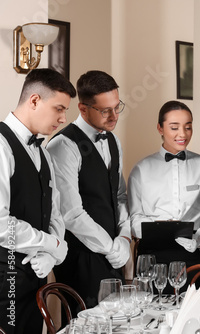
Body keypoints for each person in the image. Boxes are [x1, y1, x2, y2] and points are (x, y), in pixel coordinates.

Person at [47, 70, 131, 309]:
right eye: (105, 110)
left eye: (117, 107)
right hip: (80, 258)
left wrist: (124, 237)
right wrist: (111, 247)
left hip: (113, 252)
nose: (114, 116)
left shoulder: (113, 140)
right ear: (83, 109)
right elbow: (71, 213)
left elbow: (120, 195)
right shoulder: (63, 146)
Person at [0, 68, 75, 334]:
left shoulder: (43, 153)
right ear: (34, 100)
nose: (64, 118)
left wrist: (50, 256)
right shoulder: (1, 146)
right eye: (59, 108)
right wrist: (52, 244)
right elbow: (1, 225)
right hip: (4, 281)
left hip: (37, 279)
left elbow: (54, 213)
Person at [128, 100, 200, 292]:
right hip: (152, 257)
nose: (183, 134)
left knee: (191, 315)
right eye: (174, 127)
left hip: (192, 254)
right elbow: (135, 216)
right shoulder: (141, 169)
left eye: (188, 127)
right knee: (153, 316)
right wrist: (158, 231)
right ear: (160, 128)